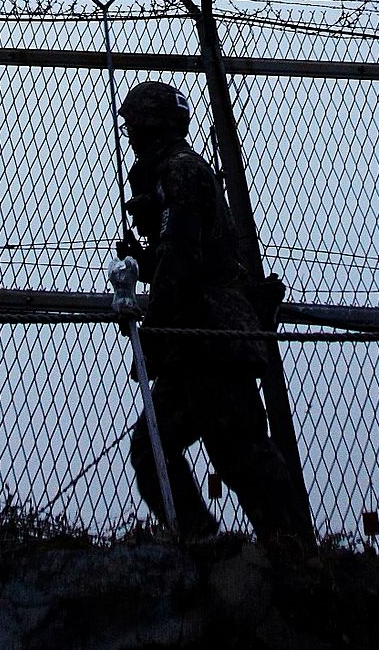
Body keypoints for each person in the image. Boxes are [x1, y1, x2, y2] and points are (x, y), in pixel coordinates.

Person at [113, 79, 309, 540]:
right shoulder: (171, 176)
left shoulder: (181, 172)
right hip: (198, 337)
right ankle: (203, 541)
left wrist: (159, 329)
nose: (132, 139)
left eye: (136, 128)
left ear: (153, 127)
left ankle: (295, 554)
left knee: (241, 454)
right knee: (154, 447)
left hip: (209, 336)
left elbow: (184, 256)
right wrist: (148, 257)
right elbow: (183, 249)